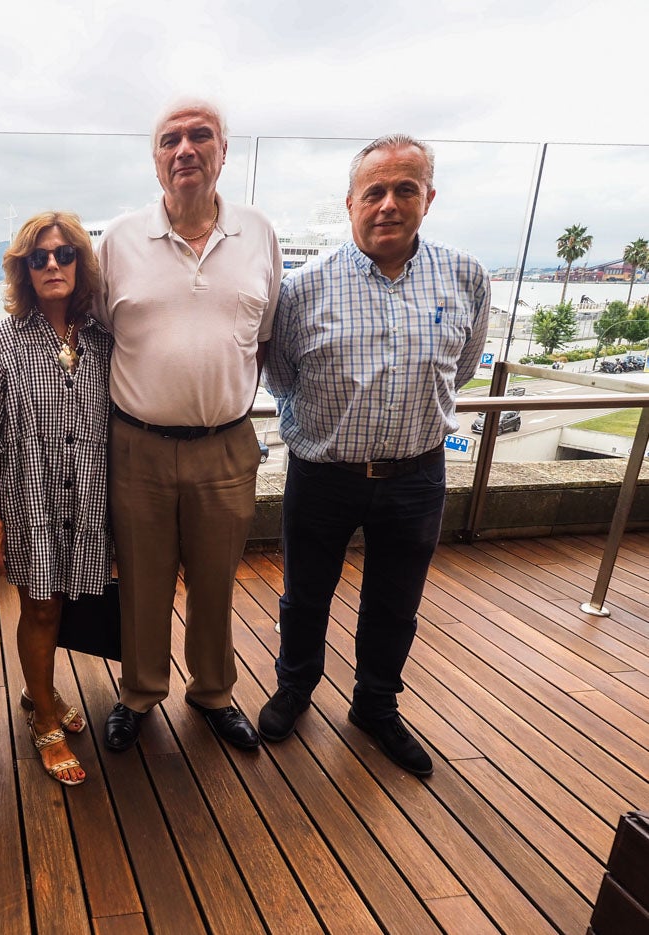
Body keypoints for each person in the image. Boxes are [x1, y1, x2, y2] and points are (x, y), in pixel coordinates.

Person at [259, 134, 489, 777]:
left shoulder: (466, 275)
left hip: (417, 473)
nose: (389, 204)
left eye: (405, 189)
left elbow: (462, 368)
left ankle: (376, 706)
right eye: (375, 191)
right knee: (305, 595)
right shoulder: (302, 289)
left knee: (396, 600)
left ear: (429, 197)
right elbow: (280, 378)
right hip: (322, 475)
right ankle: (295, 688)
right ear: (351, 202)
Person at [97, 97, 281, 754]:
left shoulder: (258, 232)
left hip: (225, 444)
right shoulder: (118, 240)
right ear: (154, 159)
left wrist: (213, 394)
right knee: (141, 580)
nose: (185, 150)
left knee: (214, 579)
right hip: (136, 445)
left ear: (222, 151)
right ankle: (139, 692)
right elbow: (99, 334)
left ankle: (212, 692)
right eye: (169, 139)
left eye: (200, 136)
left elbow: (260, 337)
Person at [0, 211, 111, 786]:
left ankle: (35, 687)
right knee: (41, 605)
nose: (52, 264)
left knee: (64, 601)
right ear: (22, 270)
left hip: (89, 498)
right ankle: (43, 717)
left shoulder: (101, 341)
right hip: (28, 501)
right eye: (38, 257)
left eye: (64, 254)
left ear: (80, 263)